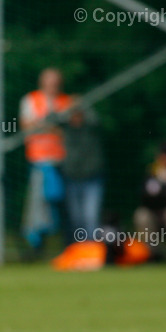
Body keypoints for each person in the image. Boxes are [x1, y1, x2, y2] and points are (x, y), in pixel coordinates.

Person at [20, 68, 69, 256]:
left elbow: (69, 131)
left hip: (62, 162)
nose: (52, 85)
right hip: (39, 162)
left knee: (61, 207)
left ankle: (65, 245)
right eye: (49, 81)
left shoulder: (65, 101)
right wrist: (50, 126)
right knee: (38, 207)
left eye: (55, 82)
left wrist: (42, 125)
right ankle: (36, 245)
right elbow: (26, 125)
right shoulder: (31, 99)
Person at [57, 97, 104, 241]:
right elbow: (52, 118)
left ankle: (92, 249)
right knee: (76, 219)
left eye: (78, 113)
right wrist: (68, 108)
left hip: (92, 179)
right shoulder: (66, 128)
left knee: (91, 217)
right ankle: (79, 249)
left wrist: (82, 104)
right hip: (72, 179)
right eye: (73, 114)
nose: (76, 117)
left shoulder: (90, 127)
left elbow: (95, 119)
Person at [134, 143, 166, 261]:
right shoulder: (153, 172)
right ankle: (152, 254)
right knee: (142, 215)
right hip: (153, 212)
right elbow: (144, 195)